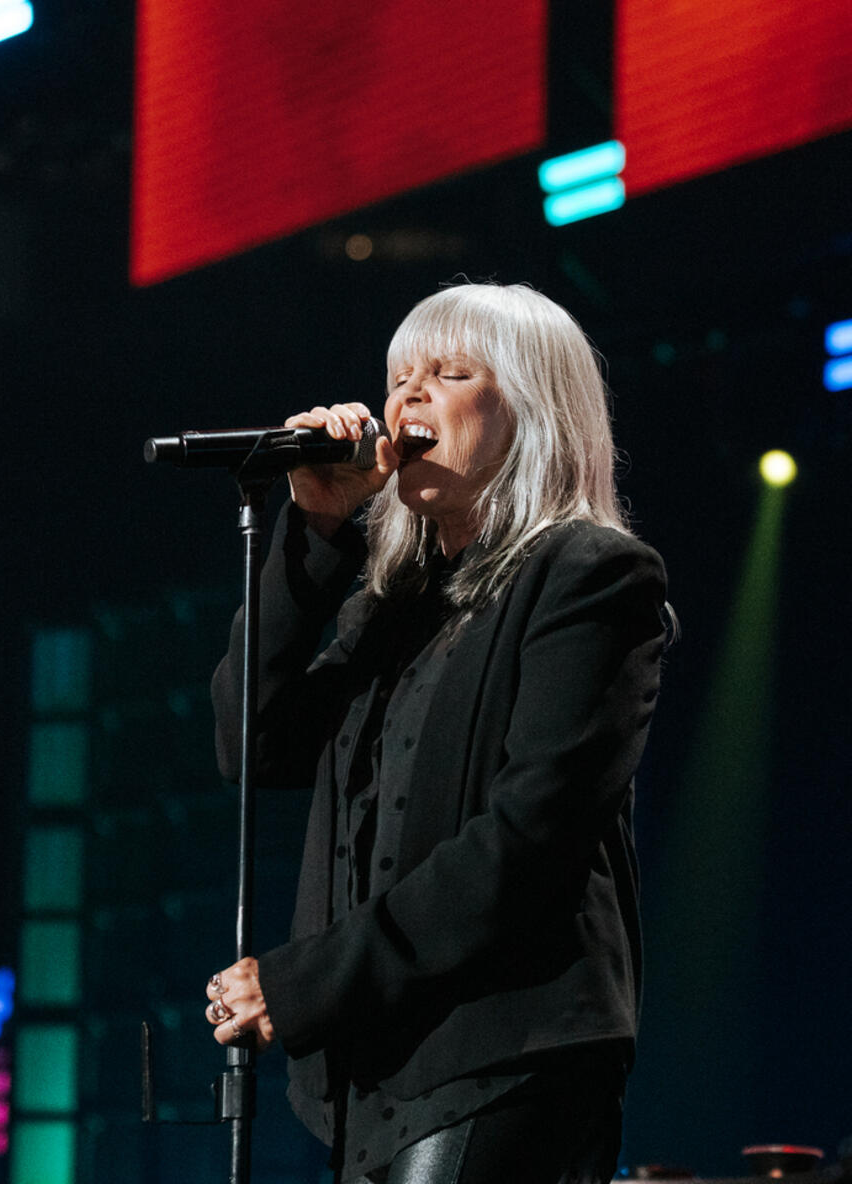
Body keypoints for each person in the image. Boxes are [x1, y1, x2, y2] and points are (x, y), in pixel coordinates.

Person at [205, 284, 670, 1183]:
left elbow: (525, 841)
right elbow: (252, 747)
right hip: (375, 1072)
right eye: (399, 377)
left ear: (531, 410)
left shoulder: (591, 576)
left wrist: (308, 980)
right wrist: (316, 534)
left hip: (504, 1053)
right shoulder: (394, 607)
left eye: (449, 374)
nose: (407, 397)